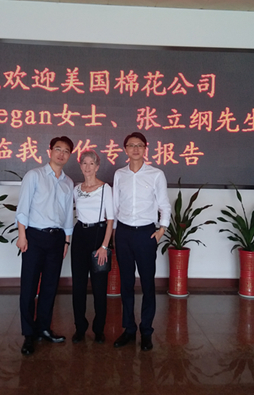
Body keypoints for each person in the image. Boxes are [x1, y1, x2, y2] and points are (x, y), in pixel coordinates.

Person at [15, 136, 74, 356]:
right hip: (34, 237)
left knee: (50, 287)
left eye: (66, 151)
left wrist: (66, 240)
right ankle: (28, 334)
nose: (61, 154)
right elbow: (23, 207)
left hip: (57, 239)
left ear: (69, 155)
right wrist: (22, 235)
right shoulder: (34, 175)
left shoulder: (68, 182)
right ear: (49, 151)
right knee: (29, 287)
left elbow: (68, 215)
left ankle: (44, 329)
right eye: (58, 149)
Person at [112, 132, 170, 351]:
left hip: (146, 234)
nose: (135, 149)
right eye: (131, 145)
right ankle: (129, 329)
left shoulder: (156, 174)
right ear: (125, 149)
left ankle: (146, 331)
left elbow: (164, 204)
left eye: (139, 145)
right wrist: (115, 233)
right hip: (124, 232)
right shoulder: (119, 174)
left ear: (145, 148)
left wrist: (162, 229)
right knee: (126, 283)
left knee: (147, 283)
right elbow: (115, 205)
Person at [71, 150, 114, 344]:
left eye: (91, 163)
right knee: (78, 286)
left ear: (97, 167)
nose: (87, 167)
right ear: (80, 166)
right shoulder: (76, 189)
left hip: (98, 236)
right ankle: (80, 327)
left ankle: (99, 329)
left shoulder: (105, 189)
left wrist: (104, 246)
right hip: (80, 235)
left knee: (99, 287)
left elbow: (111, 219)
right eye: (84, 163)